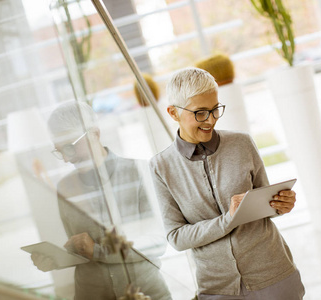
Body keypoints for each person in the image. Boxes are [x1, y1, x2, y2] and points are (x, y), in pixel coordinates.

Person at [149, 67, 305, 299]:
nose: (210, 120)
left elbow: (266, 203)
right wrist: (227, 221)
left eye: (215, 109)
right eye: (200, 113)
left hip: (274, 275)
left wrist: (281, 205)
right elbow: (177, 237)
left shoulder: (242, 143)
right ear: (173, 113)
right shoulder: (161, 166)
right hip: (217, 289)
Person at [31, 101, 172, 300]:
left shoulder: (138, 172)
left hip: (146, 292)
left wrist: (99, 251)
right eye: (59, 151)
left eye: (70, 148)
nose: (66, 159)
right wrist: (56, 259)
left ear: (95, 134)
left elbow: (157, 243)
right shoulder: (64, 188)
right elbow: (78, 247)